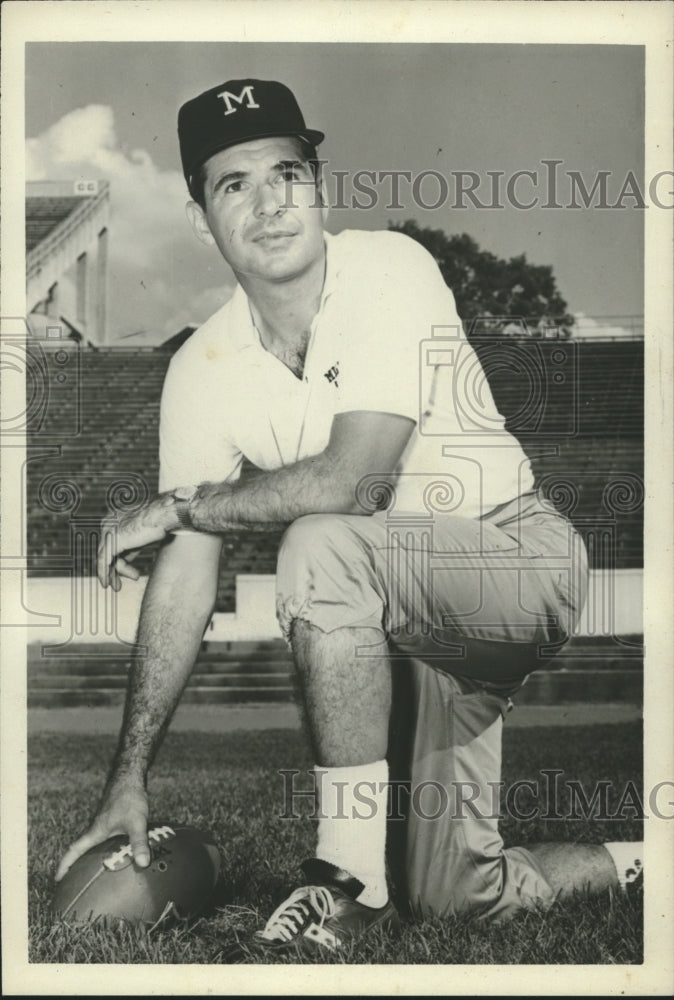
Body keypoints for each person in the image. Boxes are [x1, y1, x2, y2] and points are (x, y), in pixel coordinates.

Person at [55, 78, 642, 955]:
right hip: (412, 628)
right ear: (200, 219)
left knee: (320, 542)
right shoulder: (202, 369)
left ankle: (347, 881)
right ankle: (644, 861)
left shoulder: (387, 268)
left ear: (320, 187)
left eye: (287, 174)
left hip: (516, 560)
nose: (269, 204)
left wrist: (179, 506)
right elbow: (183, 576)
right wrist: (128, 777)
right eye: (234, 184)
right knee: (457, 898)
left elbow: (353, 483)